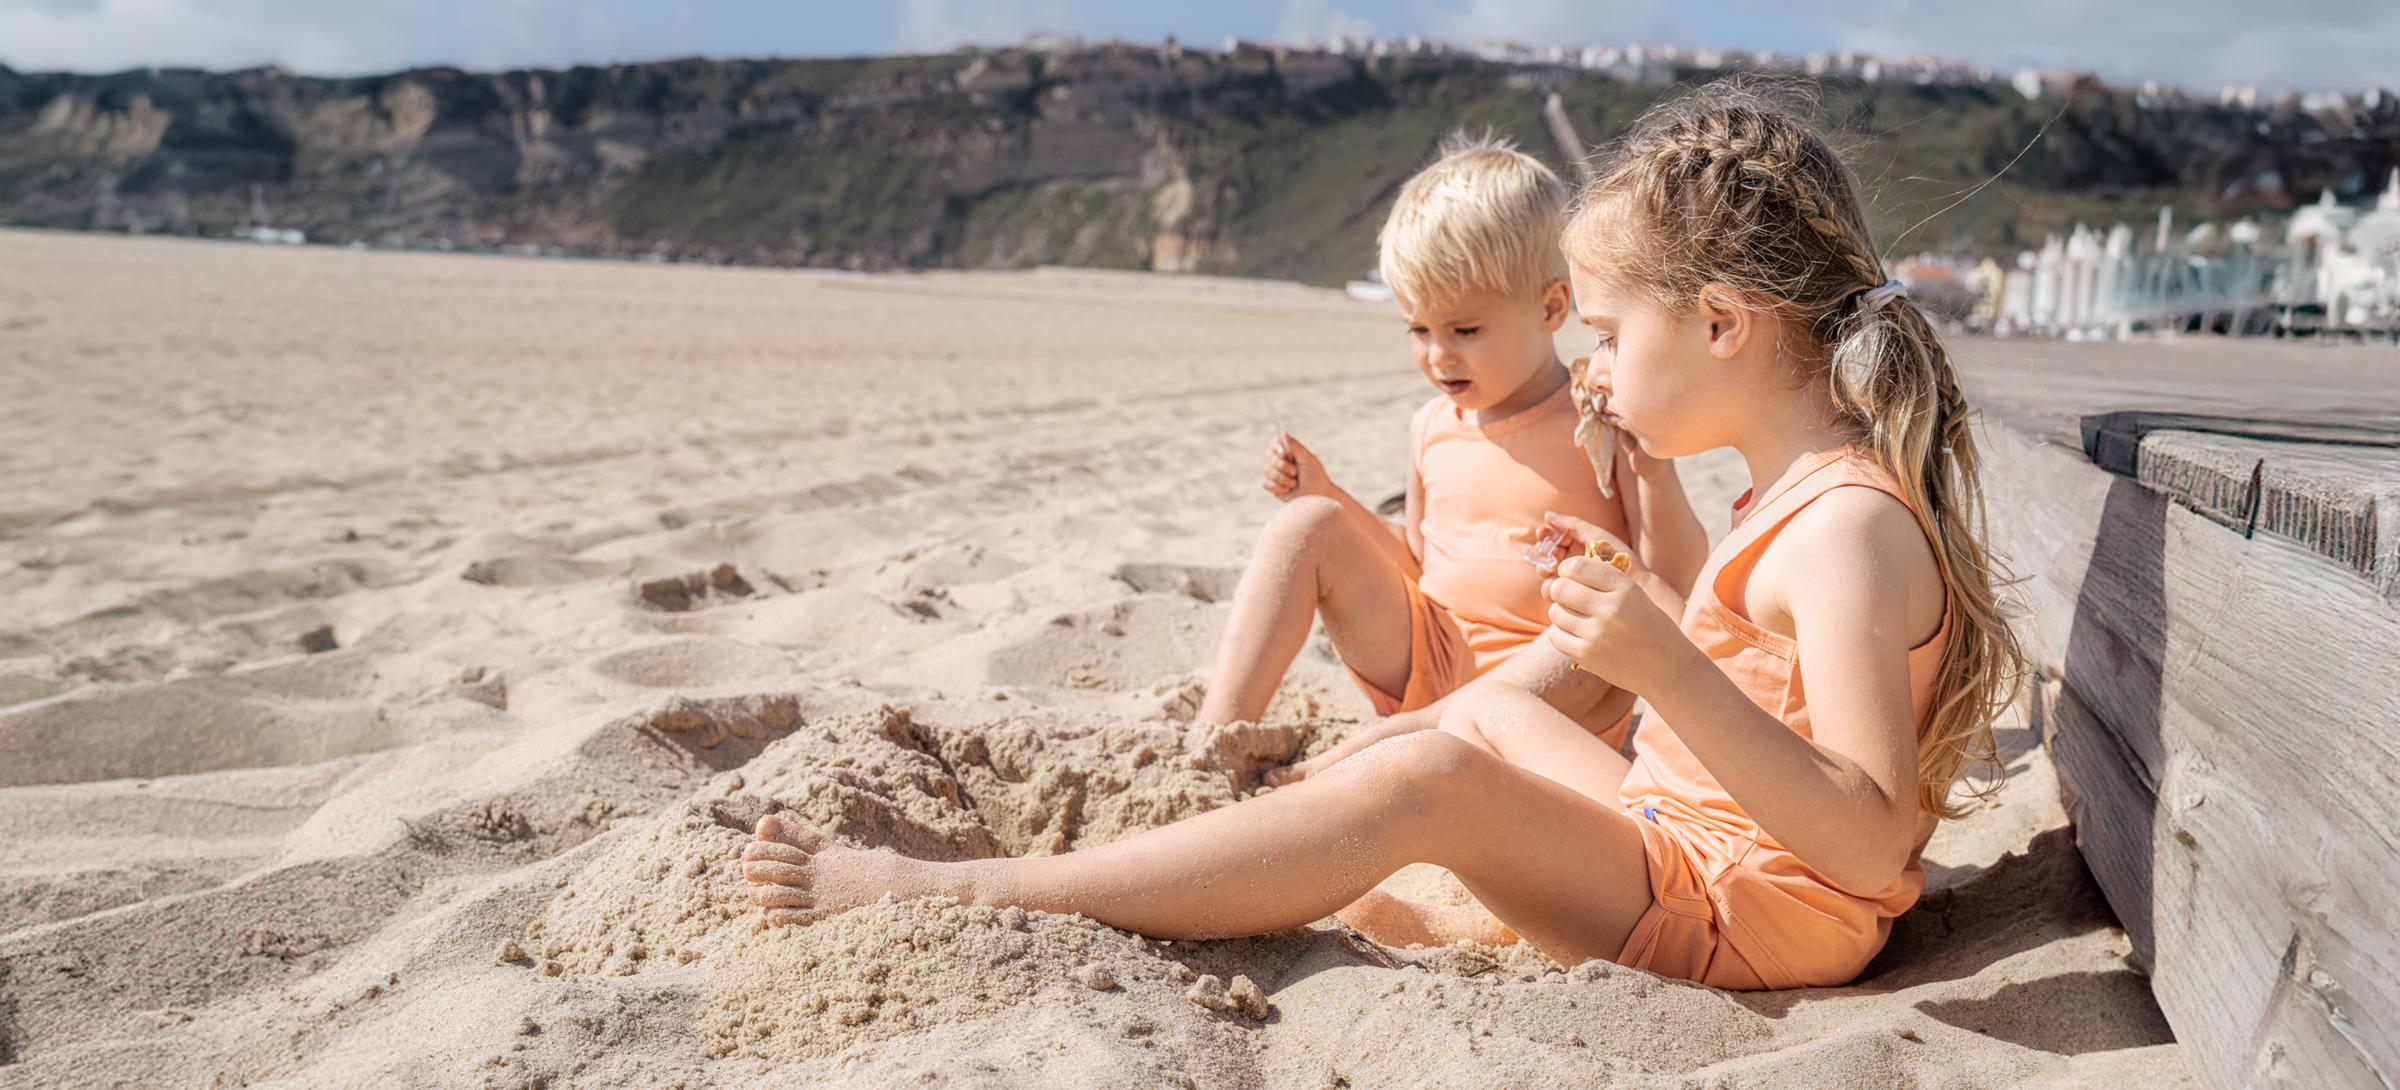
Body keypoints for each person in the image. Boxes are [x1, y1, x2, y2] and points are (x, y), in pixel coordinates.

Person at [737, 90, 2024, 989]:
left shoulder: (1844, 528)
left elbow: (1868, 840)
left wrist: (1663, 665)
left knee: (1431, 785)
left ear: (1725, 326)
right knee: (1480, 721)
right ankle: (1325, 796)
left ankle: (975, 891)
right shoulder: (1803, 493)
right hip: (1690, 836)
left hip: (1753, 910)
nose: (1596, 365)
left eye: (1611, 334)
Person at [1192, 132, 1704, 743]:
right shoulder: (1431, 425)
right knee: (1306, 524)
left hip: (1553, 686)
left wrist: (1654, 474)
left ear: (1550, 309)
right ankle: (1214, 734)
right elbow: (1416, 558)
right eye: (1418, 330)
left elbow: (1668, 581)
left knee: (1593, 620)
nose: (1438, 356)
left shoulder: (1597, 417)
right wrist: (1325, 493)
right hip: (1430, 659)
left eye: (1465, 330)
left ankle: (1432, 734)